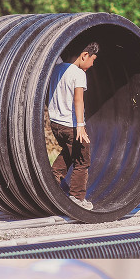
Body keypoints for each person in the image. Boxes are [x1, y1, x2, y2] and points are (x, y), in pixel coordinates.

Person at [47, 41, 99, 209]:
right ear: (85, 55)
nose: (92, 64)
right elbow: (78, 99)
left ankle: (51, 184)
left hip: (55, 124)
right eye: (93, 59)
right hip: (71, 125)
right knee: (82, 160)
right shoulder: (78, 74)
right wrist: (81, 125)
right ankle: (76, 198)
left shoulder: (56, 69)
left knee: (69, 154)